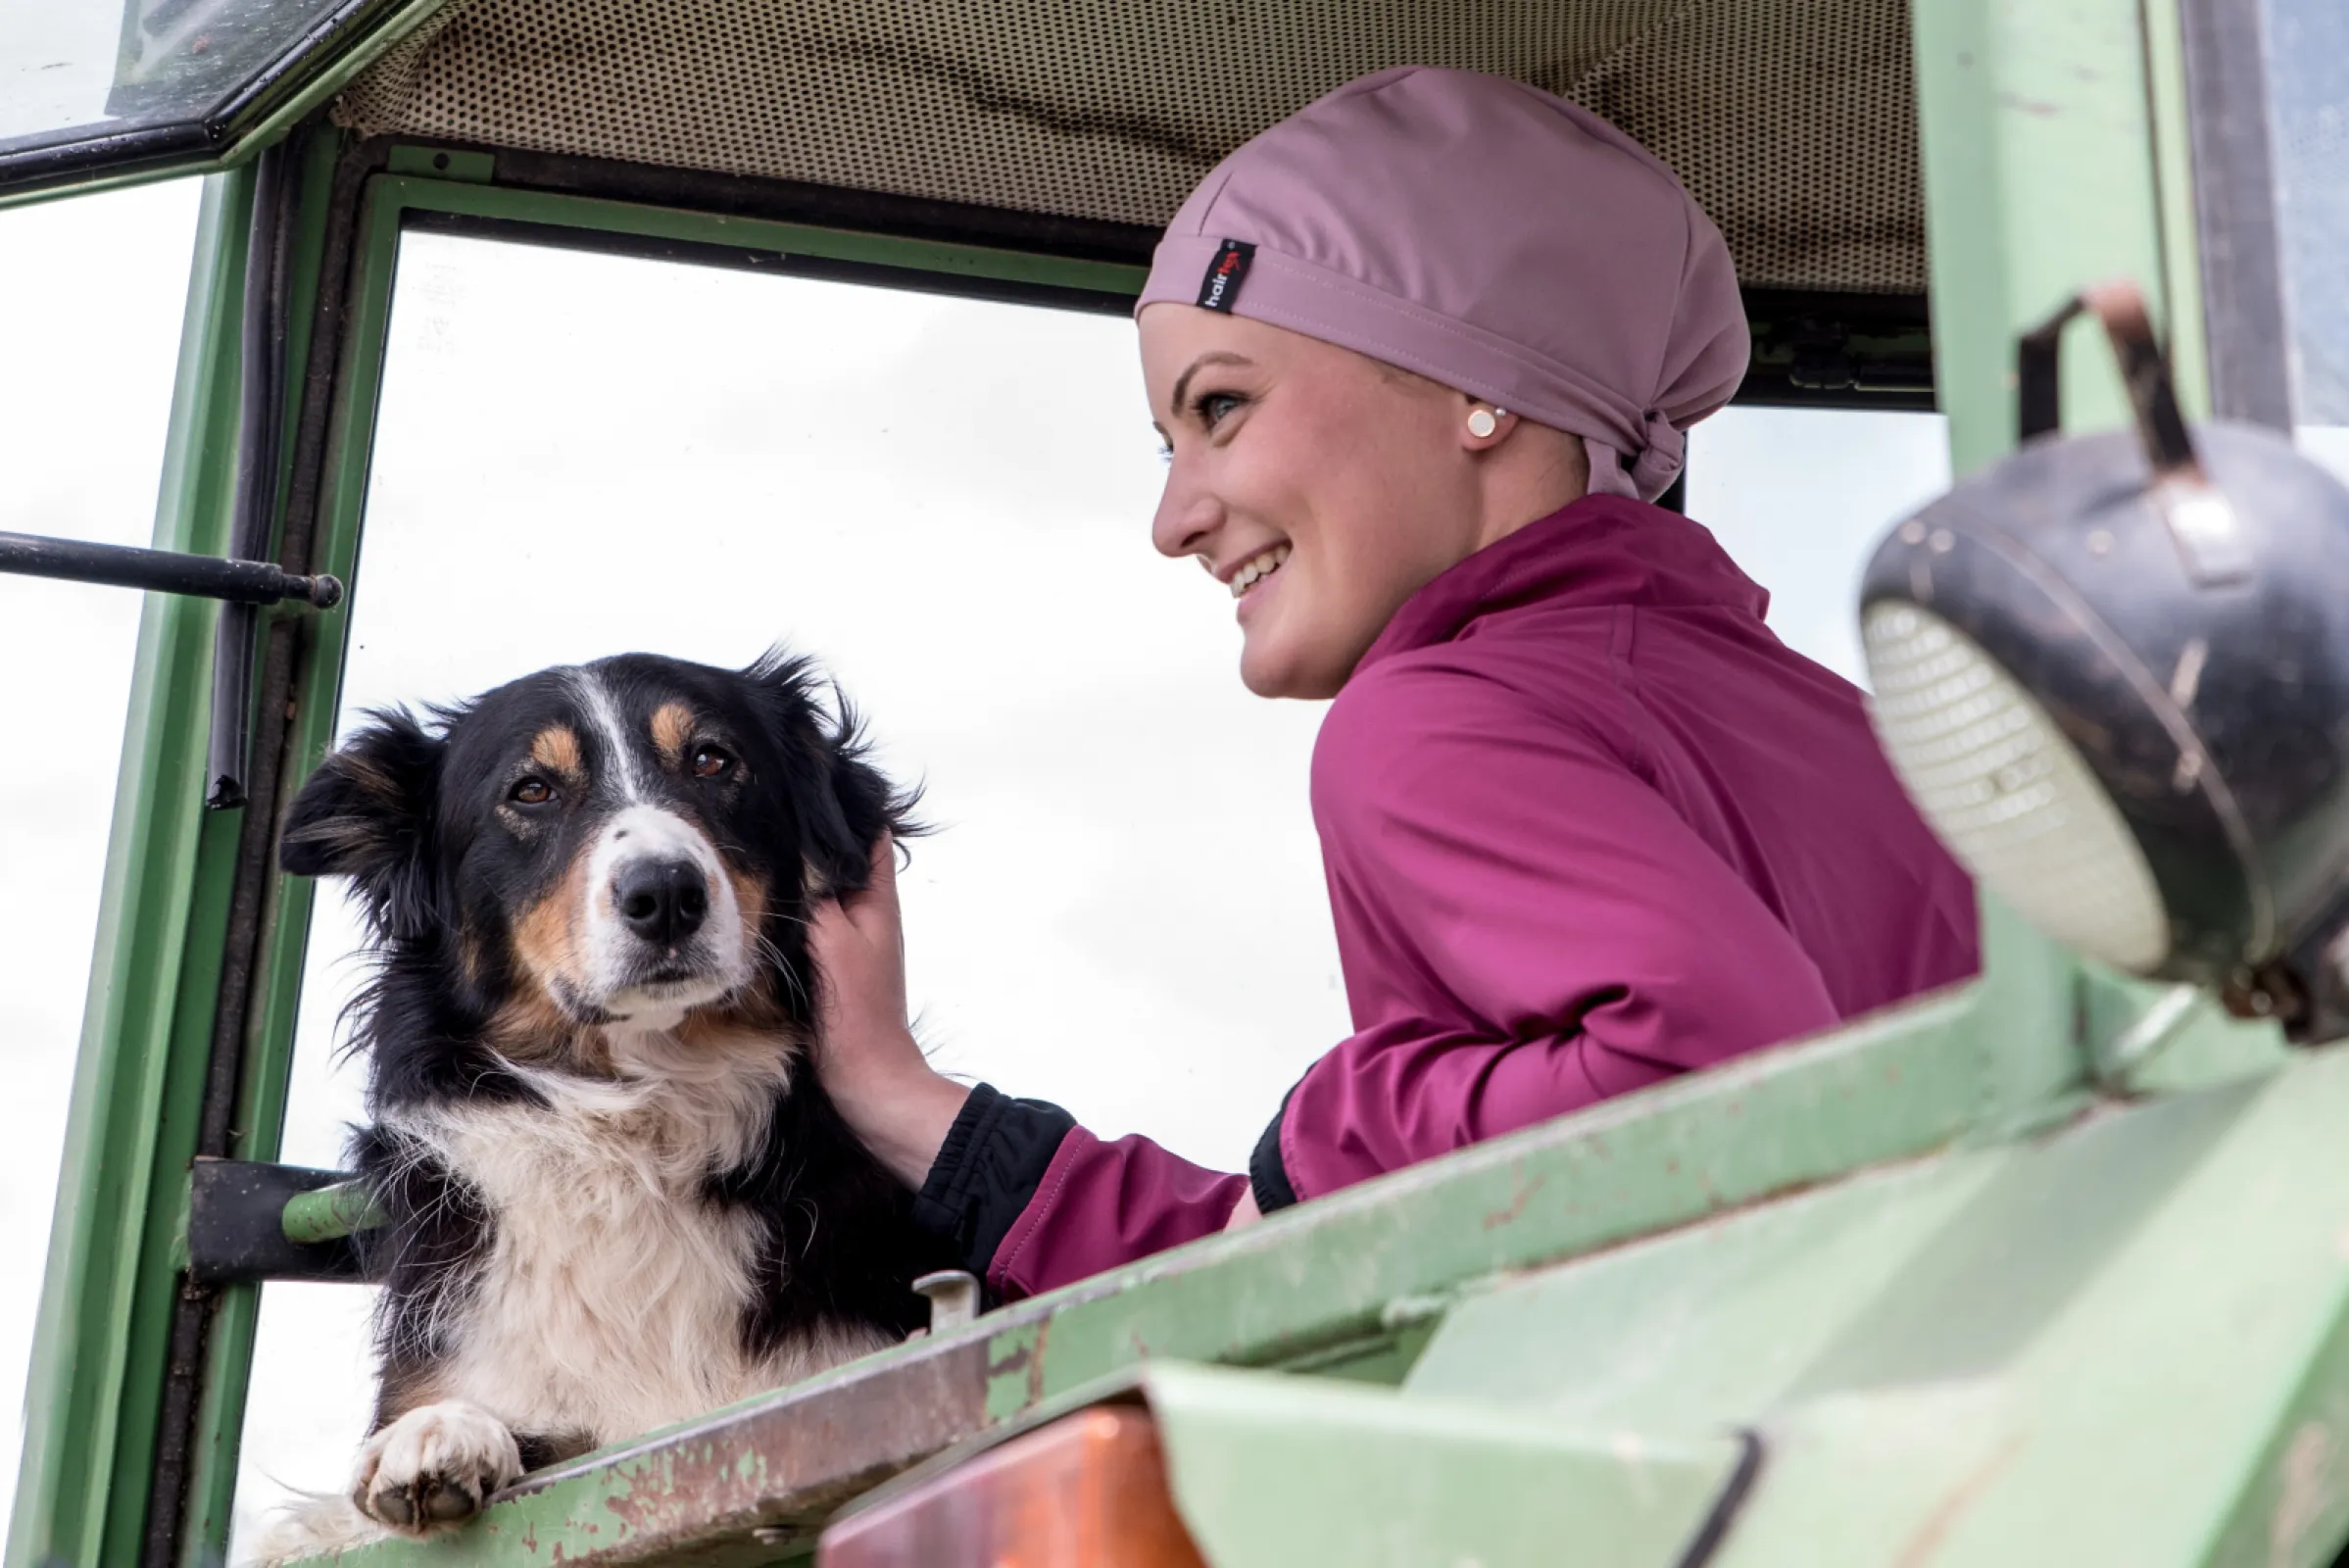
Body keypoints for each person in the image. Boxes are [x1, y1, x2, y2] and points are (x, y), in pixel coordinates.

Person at [808, 66, 1978, 1302]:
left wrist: (1345, 1116)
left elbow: (1717, 1083)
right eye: (1169, 442)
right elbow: (1278, 1251)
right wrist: (897, 1094)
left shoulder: (1429, 720)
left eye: (1224, 406)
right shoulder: (1853, 735)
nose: (1174, 517)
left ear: (1481, 390)